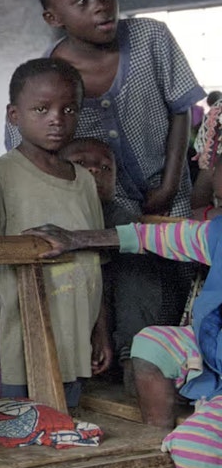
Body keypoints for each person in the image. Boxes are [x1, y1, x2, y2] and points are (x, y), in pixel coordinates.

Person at [27, 220, 222, 468]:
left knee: (195, 445)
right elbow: (150, 236)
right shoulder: (218, 234)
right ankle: (157, 456)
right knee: (150, 344)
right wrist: (75, 238)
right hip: (213, 350)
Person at [0, 58, 111, 409]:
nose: (56, 118)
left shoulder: (85, 181)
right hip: (26, 338)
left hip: (77, 341)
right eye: (41, 109)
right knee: (22, 426)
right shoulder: (1, 174)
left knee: (62, 426)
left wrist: (100, 332)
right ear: (15, 116)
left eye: (68, 109)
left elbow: (94, 264)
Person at [4, 0, 205, 220]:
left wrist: (169, 187)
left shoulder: (150, 38)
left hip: (171, 198)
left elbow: (181, 110)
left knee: (180, 256)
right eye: (82, 0)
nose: (101, 6)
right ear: (53, 18)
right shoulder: (42, 81)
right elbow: (28, 154)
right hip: (98, 214)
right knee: (121, 260)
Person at [59, 137, 188, 394]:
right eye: (81, 163)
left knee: (136, 263)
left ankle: (133, 360)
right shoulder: (52, 214)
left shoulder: (122, 220)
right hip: (85, 323)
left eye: (105, 168)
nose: (94, 170)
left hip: (135, 323)